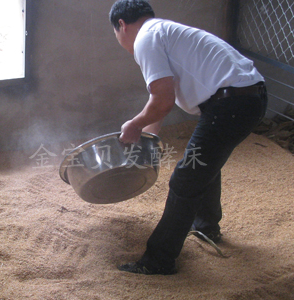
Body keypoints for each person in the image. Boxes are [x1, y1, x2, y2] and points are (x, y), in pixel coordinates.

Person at [109, 0, 268, 275]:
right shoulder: (163, 31)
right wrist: (147, 141)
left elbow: (163, 101)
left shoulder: (146, 38)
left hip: (230, 104)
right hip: (249, 96)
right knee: (203, 163)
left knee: (184, 179)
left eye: (115, 32)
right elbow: (158, 100)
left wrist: (133, 125)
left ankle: (159, 260)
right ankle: (206, 226)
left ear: (121, 24)